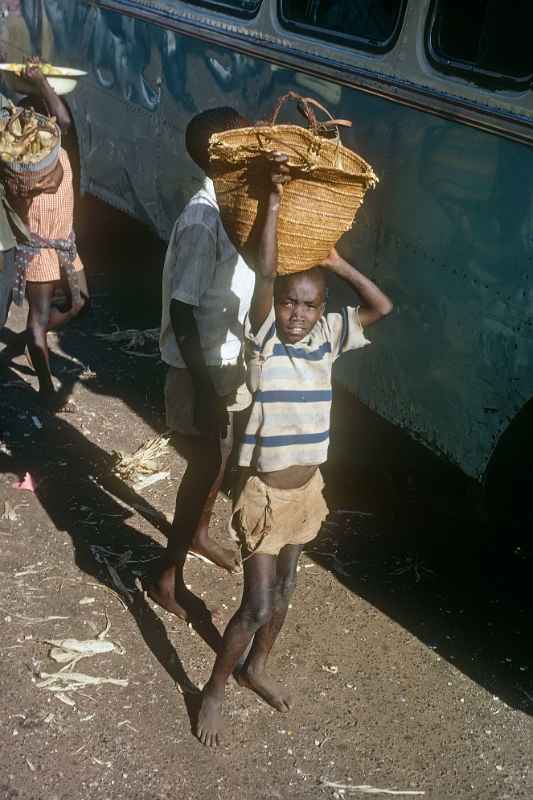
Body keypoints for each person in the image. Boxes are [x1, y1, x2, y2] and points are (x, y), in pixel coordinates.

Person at [195, 153, 393, 746]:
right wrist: (276, 201)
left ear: (322, 308)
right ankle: (213, 689)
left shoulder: (328, 337)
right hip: (264, 496)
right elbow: (265, 273)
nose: (297, 314)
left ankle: (255, 667)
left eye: (308, 304)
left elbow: (381, 307)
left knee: (285, 592)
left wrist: (335, 261)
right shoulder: (266, 341)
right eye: (289, 302)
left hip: (307, 492)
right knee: (256, 604)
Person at [145, 107, 256, 619]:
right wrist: (207, 389)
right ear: (222, 156)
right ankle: (167, 577)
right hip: (201, 368)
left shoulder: (231, 207)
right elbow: (183, 310)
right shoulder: (202, 218)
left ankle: (200, 533)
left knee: (222, 454)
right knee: (207, 461)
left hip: (225, 357)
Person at [0, 61, 89, 410]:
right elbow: (62, 120)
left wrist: (41, 86)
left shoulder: (54, 149)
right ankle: (46, 387)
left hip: (65, 242)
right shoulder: (24, 167)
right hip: (39, 248)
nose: (53, 124)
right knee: (38, 318)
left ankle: (30, 338)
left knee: (80, 301)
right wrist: (40, 83)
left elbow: (62, 121)